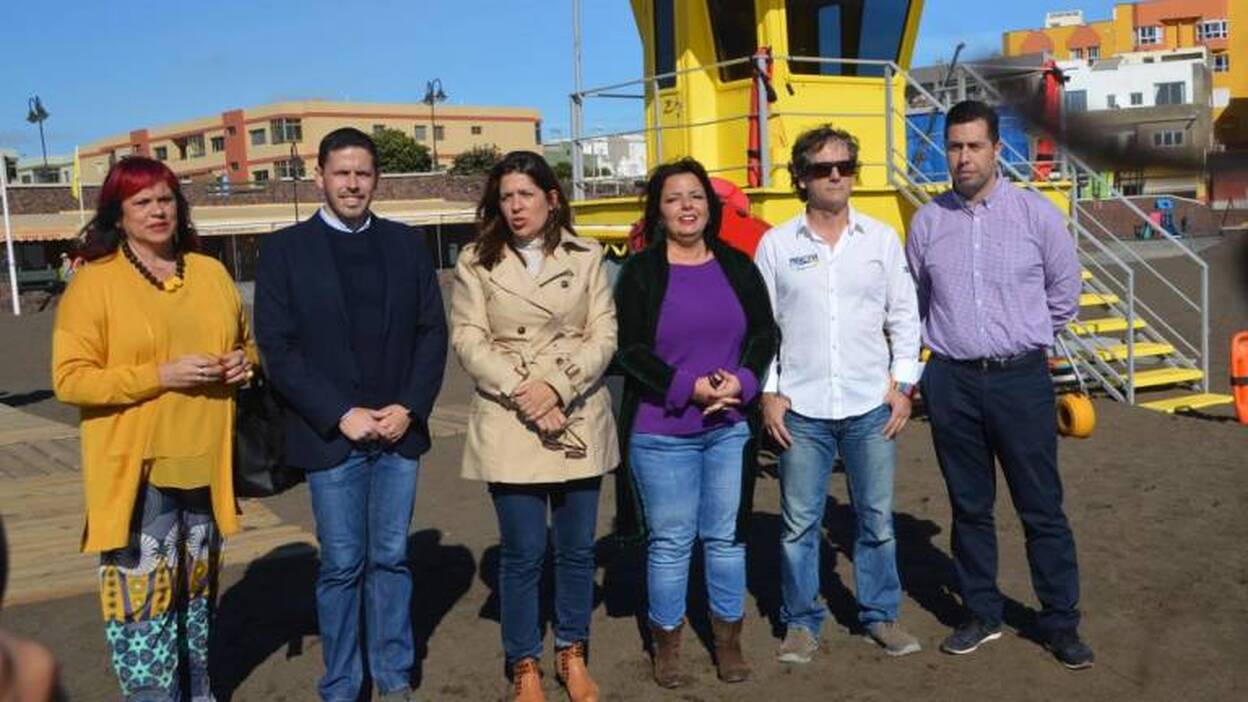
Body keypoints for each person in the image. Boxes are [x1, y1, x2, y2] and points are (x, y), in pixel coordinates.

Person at [51, 156, 256, 701]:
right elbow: (70, 379)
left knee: (196, 602)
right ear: (118, 214)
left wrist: (244, 363)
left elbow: (246, 342)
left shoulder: (210, 273)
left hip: (205, 465)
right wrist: (159, 375)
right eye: (142, 202)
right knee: (142, 610)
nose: (158, 211)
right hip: (138, 474)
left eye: (166, 199)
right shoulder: (95, 283)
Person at [254, 128, 447, 701]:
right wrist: (339, 412)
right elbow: (277, 348)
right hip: (332, 436)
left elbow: (431, 333)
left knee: (390, 559)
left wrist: (409, 406)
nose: (353, 184)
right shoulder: (285, 251)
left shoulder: (406, 244)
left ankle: (393, 676)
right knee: (341, 564)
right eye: (342, 173)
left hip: (397, 432)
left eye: (363, 173)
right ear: (319, 176)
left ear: (376, 179)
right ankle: (341, 683)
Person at [905, 100, 1094, 669]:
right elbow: (916, 302)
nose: (963, 157)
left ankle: (1059, 621)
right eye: (954, 146)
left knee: (1041, 507)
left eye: (974, 146)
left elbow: (1064, 294)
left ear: (996, 150)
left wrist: (1023, 337)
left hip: (1020, 379)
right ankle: (981, 613)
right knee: (969, 507)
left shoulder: (1037, 216)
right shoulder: (927, 222)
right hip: (952, 381)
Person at [451, 151, 617, 702]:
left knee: (576, 551)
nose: (516, 207)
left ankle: (572, 651)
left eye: (526, 194)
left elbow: (604, 336)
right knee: (522, 553)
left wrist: (558, 388)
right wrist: (528, 392)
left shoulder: (588, 255)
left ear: (551, 198)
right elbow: (468, 339)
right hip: (511, 417)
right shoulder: (476, 260)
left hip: (576, 411)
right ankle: (523, 662)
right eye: (506, 197)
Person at [755, 126, 923, 663]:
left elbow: (905, 316)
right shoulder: (777, 244)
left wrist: (904, 385)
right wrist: (769, 392)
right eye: (822, 168)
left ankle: (880, 615)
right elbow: (762, 328)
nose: (835, 176)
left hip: (870, 405)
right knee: (798, 525)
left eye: (844, 167)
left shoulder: (881, 240)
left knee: (876, 521)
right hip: (801, 409)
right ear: (801, 177)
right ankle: (800, 622)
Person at [614, 158, 777, 688]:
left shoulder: (737, 266)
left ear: (710, 205)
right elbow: (629, 350)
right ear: (658, 211)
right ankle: (668, 647)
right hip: (662, 433)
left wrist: (742, 382)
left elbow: (764, 333)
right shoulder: (640, 272)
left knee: (726, 539)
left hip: (728, 428)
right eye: (673, 198)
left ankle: (728, 642)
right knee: (671, 542)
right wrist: (690, 387)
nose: (687, 206)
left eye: (696, 196)